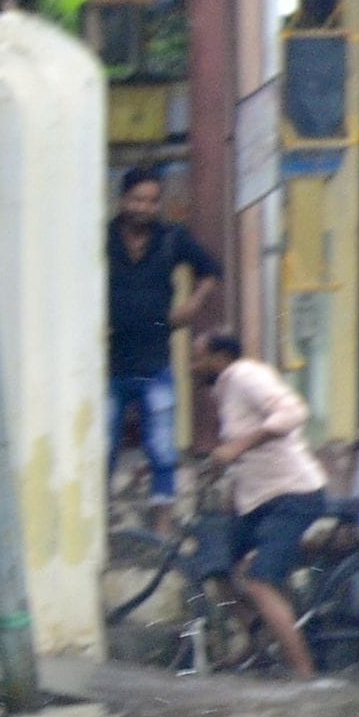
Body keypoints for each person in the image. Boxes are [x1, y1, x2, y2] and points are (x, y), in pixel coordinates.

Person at [194, 331, 324, 679]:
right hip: (259, 502)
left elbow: (293, 413)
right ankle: (256, 639)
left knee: (259, 582)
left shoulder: (246, 375)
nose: (194, 366)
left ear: (220, 357)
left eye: (199, 357)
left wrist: (237, 448)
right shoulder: (224, 391)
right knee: (215, 563)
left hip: (293, 495)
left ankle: (304, 674)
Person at [106, 166, 222, 533]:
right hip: (108, 362)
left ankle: (163, 524)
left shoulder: (172, 239)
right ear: (123, 200)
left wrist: (193, 304)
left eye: (153, 201)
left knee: (161, 447)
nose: (145, 207)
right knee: (102, 447)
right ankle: (99, 517)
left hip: (155, 359)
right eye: (138, 199)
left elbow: (211, 270)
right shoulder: (103, 237)